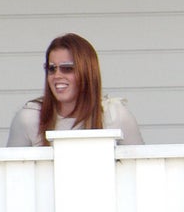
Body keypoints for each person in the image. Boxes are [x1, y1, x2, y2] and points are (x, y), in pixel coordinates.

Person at [7, 33, 143, 146]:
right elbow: (12, 173)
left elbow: (139, 171)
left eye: (67, 68)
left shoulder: (116, 116)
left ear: (87, 72)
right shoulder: (29, 119)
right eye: (51, 68)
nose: (57, 76)